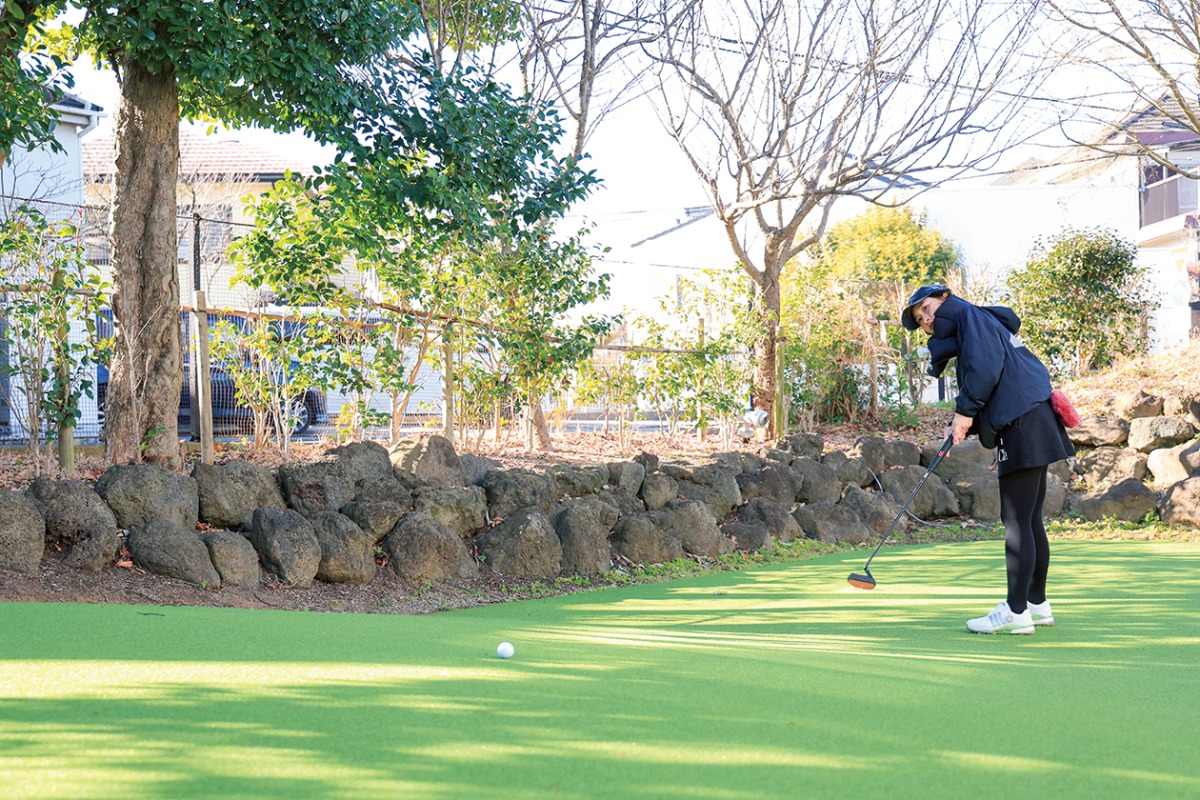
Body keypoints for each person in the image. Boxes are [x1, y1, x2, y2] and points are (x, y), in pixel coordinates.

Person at [901, 284, 1075, 635]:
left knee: (1016, 520)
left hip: (1023, 421)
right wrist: (972, 425)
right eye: (920, 320)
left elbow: (985, 370)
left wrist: (964, 414)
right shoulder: (978, 319)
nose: (926, 320)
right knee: (1029, 519)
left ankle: (1015, 611)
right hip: (1033, 417)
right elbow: (997, 378)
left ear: (945, 297)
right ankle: (1036, 604)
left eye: (927, 309)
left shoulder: (968, 316)